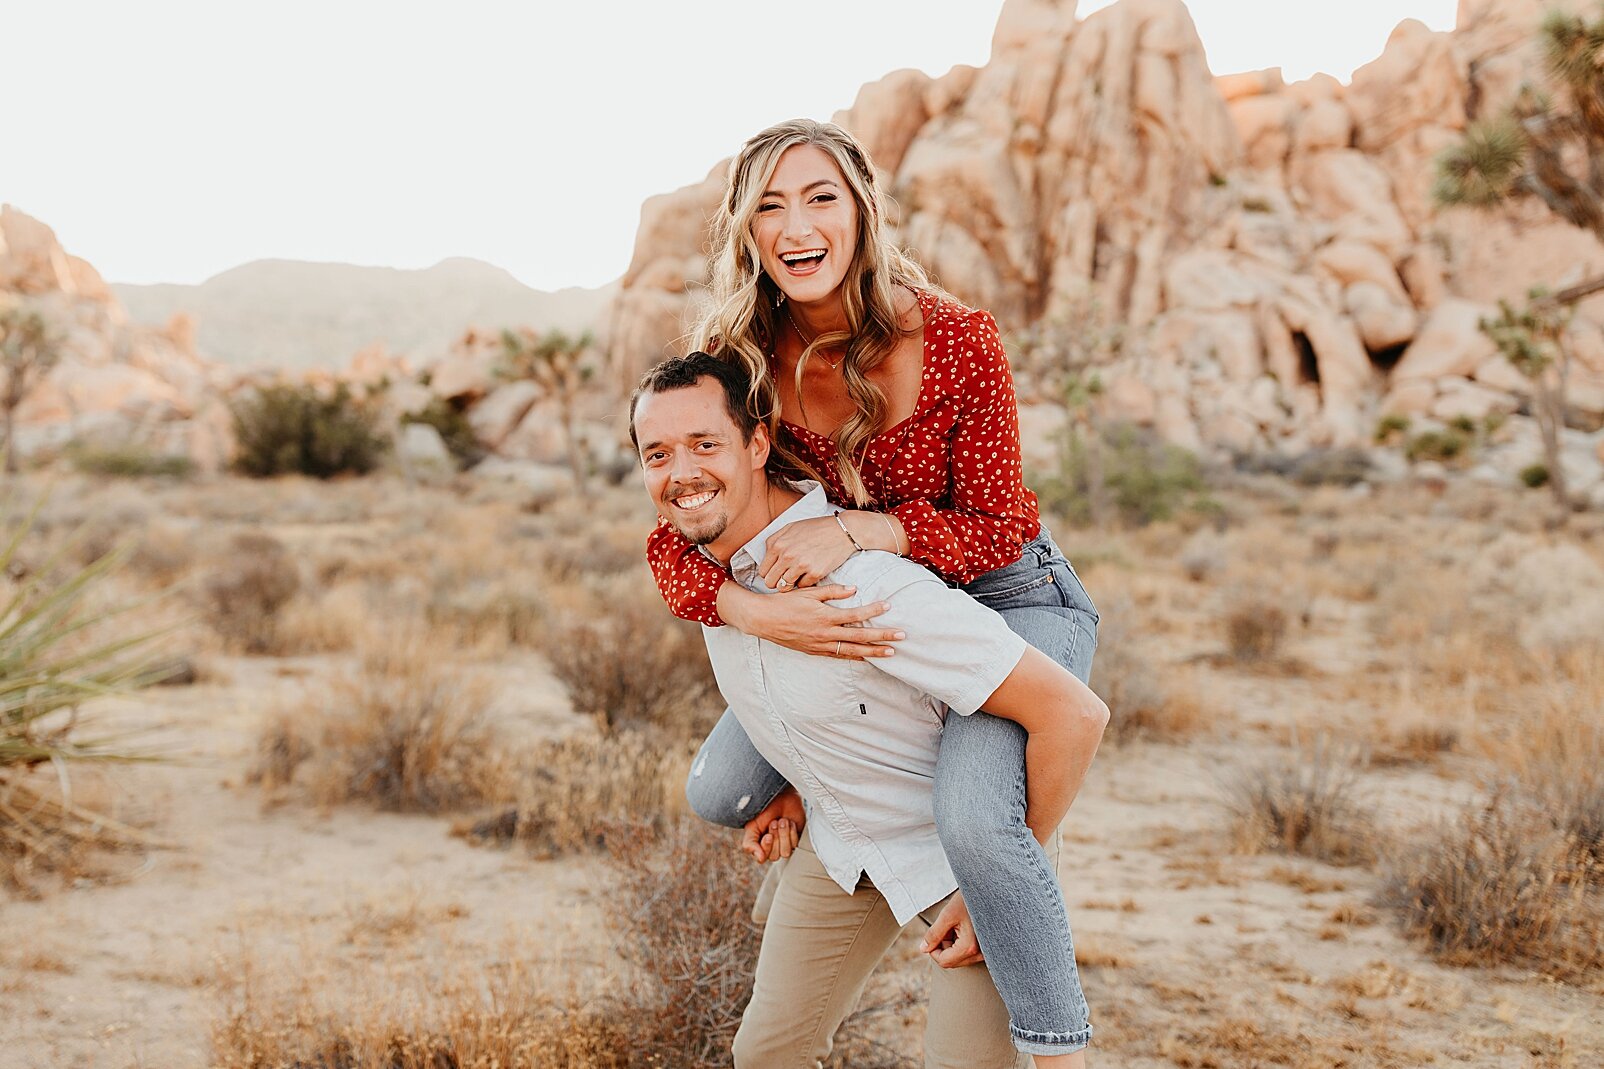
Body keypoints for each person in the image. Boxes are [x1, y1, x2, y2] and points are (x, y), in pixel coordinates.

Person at [645, 119, 1102, 1055]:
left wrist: (861, 527)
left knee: (979, 822)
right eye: (770, 204)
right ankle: (843, 808)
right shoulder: (744, 358)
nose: (797, 223)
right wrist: (758, 608)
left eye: (820, 197)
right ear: (746, 231)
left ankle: (1035, 977)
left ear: (862, 212)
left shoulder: (959, 339)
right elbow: (676, 528)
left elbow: (999, 526)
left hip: (1007, 589)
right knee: (728, 786)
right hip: (871, 604)